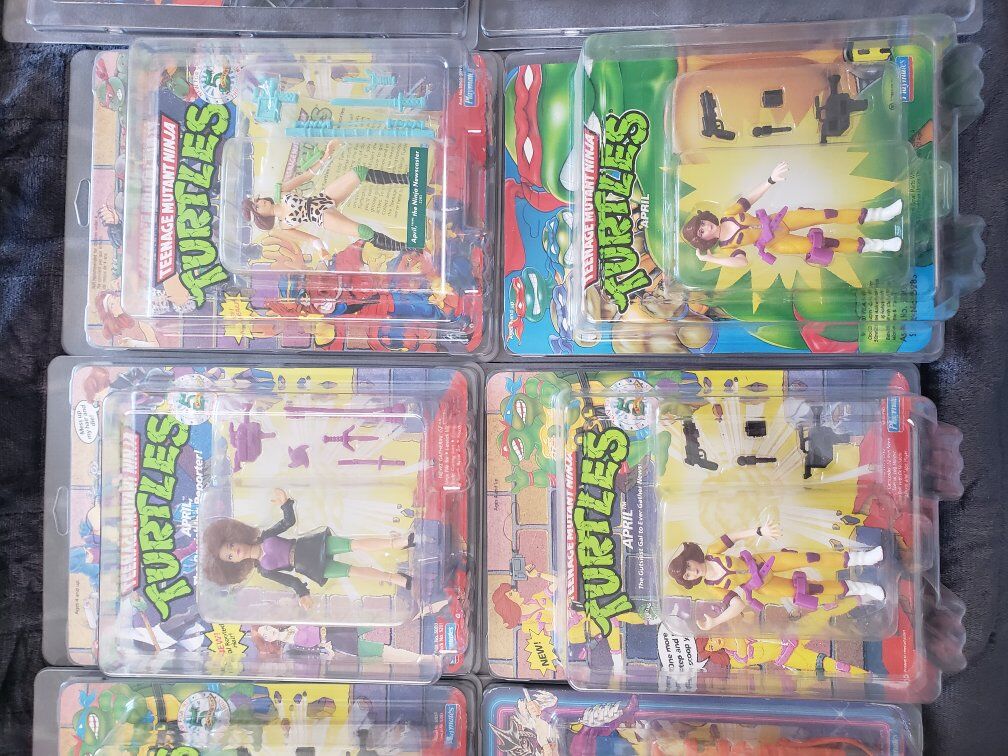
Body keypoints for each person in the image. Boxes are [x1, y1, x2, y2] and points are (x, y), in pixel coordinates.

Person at [202, 488, 413, 609]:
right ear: (234, 564)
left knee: (353, 544)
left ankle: (396, 543)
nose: (234, 552)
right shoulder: (264, 570)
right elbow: (291, 581)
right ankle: (394, 578)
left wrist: (285, 504)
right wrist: (303, 594)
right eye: (230, 557)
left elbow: (288, 522)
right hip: (309, 567)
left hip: (311, 545)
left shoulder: (265, 536)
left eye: (231, 546)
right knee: (353, 571)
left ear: (235, 537)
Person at [666, 521, 885, 632]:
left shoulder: (713, 552)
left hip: (763, 561)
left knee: (809, 558)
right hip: (763, 585)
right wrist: (716, 621)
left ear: (691, 558)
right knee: (810, 590)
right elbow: (737, 605)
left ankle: (863, 558)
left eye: (688, 567)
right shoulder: (713, 586)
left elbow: (732, 536)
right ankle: (862, 589)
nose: (692, 572)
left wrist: (759, 531)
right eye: (687, 575)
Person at [680, 162, 903, 268]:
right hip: (777, 242)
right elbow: (741, 263)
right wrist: (710, 258)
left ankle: (880, 213)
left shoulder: (729, 214)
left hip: (779, 220)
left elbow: (749, 198)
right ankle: (879, 245)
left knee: (827, 214)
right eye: (701, 231)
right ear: (704, 240)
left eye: (703, 223)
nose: (706, 227)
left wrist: (770, 180)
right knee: (824, 245)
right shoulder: (726, 247)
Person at [242, 139, 412, 253]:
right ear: (261, 217)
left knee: (359, 172)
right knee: (364, 231)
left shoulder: (281, 192)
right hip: (322, 217)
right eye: (257, 206)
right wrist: (322, 251)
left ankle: (405, 178)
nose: (260, 202)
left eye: (257, 200)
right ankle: (405, 247)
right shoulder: (284, 226)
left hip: (324, 198)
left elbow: (307, 176)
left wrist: (325, 157)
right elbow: (312, 239)